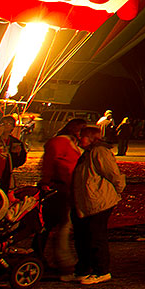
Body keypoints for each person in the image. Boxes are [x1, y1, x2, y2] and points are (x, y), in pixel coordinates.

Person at [71, 124, 125, 284]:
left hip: (99, 201)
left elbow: (113, 174)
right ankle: (83, 269)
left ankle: (101, 270)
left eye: (82, 136)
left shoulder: (99, 152)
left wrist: (118, 190)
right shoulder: (88, 153)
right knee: (83, 236)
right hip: (88, 201)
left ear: (90, 138)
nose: (79, 139)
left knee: (96, 236)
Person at [40, 117, 86, 277]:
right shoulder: (60, 143)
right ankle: (61, 260)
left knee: (61, 226)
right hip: (59, 188)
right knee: (57, 225)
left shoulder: (70, 143)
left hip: (67, 188)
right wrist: (46, 182)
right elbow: (49, 164)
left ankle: (56, 258)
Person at [0, 114, 28, 191]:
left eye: (9, 123)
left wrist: (17, 154)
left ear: (13, 127)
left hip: (4, 177)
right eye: (3, 123)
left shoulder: (15, 142)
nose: (6, 125)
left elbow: (20, 162)